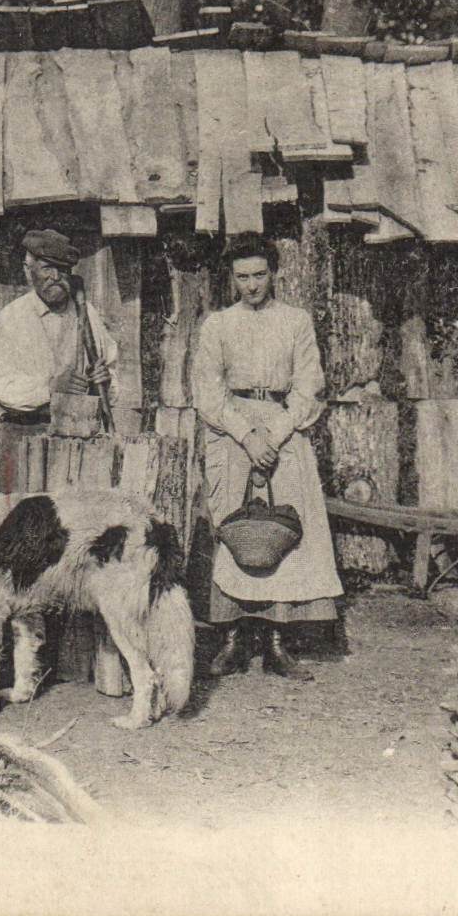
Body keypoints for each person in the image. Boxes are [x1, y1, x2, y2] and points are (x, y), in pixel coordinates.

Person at [192, 232, 342, 681]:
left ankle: (278, 640)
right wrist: (245, 435)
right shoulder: (217, 325)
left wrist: (273, 436)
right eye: (242, 277)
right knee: (235, 527)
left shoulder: (295, 321)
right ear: (231, 278)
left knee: (283, 527)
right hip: (233, 432)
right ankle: (234, 639)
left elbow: (308, 386)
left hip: (283, 429)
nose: (252, 285)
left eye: (259, 275)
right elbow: (206, 390)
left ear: (273, 273)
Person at [0, 228, 118, 487]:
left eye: (63, 270)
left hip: (74, 444)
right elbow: (0, 387)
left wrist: (103, 382)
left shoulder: (87, 316)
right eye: (47, 268)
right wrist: (50, 388)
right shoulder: (12, 319)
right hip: (22, 439)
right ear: (28, 270)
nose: (55, 277)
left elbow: (112, 375)